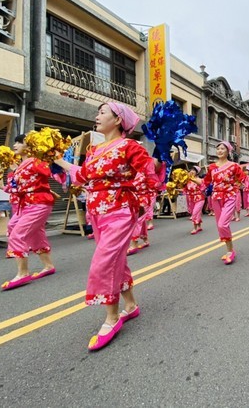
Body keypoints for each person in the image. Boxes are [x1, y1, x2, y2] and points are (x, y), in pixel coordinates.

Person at [54, 102, 163, 351]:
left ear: (118, 120)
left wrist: (141, 201)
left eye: (103, 112)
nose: (97, 116)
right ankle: (131, 306)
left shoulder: (130, 146)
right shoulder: (94, 149)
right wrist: (59, 162)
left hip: (120, 210)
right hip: (96, 211)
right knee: (116, 260)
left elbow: (148, 174)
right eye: (98, 112)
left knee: (104, 260)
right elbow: (82, 176)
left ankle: (111, 317)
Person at [1, 134, 56, 291]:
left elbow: (47, 172)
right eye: (15, 141)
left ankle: (23, 273)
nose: (15, 144)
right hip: (27, 205)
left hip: (38, 204)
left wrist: (47, 155)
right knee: (35, 235)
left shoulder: (36, 161)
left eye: (20, 142)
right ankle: (48, 265)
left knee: (18, 234)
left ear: (30, 146)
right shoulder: (20, 165)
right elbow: (15, 188)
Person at [196, 141, 245, 264]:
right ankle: (230, 250)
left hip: (229, 196)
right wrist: (190, 180)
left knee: (223, 224)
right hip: (216, 197)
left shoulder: (234, 166)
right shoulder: (212, 167)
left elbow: (243, 179)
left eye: (222, 149)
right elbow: (205, 182)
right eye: (218, 149)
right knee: (220, 225)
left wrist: (237, 186)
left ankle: (231, 251)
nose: (219, 151)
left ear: (228, 151)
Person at [182, 166, 206, 234]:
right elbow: (184, 189)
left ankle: (195, 228)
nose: (192, 171)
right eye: (191, 170)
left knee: (195, 213)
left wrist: (190, 178)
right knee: (196, 213)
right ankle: (199, 226)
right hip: (191, 199)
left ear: (197, 172)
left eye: (194, 170)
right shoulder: (187, 181)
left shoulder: (200, 179)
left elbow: (201, 184)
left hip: (199, 198)